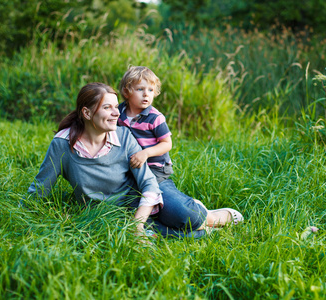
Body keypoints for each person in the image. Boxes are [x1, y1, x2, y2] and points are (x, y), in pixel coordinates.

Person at [27, 82, 209, 239]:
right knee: (173, 232)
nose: (116, 114)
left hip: (137, 203)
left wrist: (137, 225)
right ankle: (205, 229)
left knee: (186, 216)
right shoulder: (62, 144)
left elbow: (149, 182)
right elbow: (41, 187)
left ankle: (200, 214)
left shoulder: (124, 136)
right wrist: (24, 217)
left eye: (116, 107)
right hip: (106, 215)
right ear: (87, 113)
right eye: (107, 108)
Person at [117, 66, 243, 228]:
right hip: (132, 171)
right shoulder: (119, 112)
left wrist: (146, 153)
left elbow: (166, 143)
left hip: (155, 170)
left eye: (150, 90)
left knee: (165, 204)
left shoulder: (155, 117)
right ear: (127, 92)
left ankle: (206, 214)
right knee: (136, 210)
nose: (146, 94)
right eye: (140, 89)